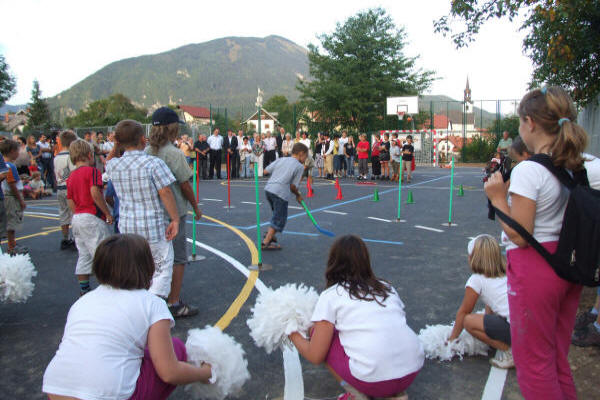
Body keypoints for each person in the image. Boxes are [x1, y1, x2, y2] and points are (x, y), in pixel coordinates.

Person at [484, 86, 600, 399]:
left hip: (536, 268)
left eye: (521, 122)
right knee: (556, 356)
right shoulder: (585, 164)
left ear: (531, 123)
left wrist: (497, 198)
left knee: (534, 363)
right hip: (568, 263)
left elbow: (520, 235)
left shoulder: (529, 170)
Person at [42, 234, 213, 400]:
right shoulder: (152, 304)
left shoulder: (82, 301)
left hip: (55, 388)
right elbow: (169, 373)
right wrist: (205, 373)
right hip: (107, 393)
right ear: (147, 267)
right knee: (176, 348)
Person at [289, 235, 423, 400]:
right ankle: (396, 394)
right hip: (411, 371)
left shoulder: (331, 295)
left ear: (333, 262)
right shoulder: (386, 287)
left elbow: (315, 355)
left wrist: (291, 331)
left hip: (375, 381)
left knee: (320, 334)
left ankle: (356, 395)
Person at [105, 119, 180, 300]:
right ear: (142, 139)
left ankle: (136, 302)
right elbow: (165, 191)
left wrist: (116, 145)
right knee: (161, 269)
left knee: (135, 268)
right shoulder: (153, 163)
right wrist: (175, 219)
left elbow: (109, 160)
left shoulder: (114, 165)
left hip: (128, 227)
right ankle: (155, 302)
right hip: (153, 226)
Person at [146, 107, 202, 318]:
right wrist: (195, 207)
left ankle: (153, 297)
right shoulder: (174, 153)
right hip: (174, 211)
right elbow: (185, 184)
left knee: (155, 256)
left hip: (153, 211)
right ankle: (174, 302)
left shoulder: (146, 152)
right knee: (178, 257)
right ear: (172, 128)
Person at [448, 235, 513, 368]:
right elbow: (491, 301)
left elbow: (464, 312)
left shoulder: (476, 280)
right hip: (528, 324)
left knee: (468, 321)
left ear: (473, 258)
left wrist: (451, 339)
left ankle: (511, 351)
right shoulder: (507, 271)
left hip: (515, 329)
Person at [66, 139, 113, 295]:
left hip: (78, 217)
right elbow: (95, 192)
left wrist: (77, 213)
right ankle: (108, 288)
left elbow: (70, 200)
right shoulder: (92, 172)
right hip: (92, 216)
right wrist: (107, 212)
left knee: (84, 255)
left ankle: (84, 290)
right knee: (102, 254)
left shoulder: (71, 176)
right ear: (89, 155)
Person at [261, 143, 308, 250]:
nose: (306, 159)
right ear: (301, 154)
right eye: (306, 156)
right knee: (280, 218)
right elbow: (293, 186)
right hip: (280, 193)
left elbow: (265, 171)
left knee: (277, 214)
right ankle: (266, 242)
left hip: (269, 190)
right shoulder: (299, 167)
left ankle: (270, 235)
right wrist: (298, 195)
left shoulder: (281, 159)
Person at [0, 139, 28, 255]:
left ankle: (12, 244)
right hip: (11, 197)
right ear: (12, 151)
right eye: (17, 151)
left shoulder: (4, 165)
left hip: (5, 195)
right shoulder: (10, 166)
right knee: (12, 222)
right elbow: (12, 184)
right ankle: (12, 246)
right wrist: (20, 200)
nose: (19, 153)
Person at [54, 130, 78, 250]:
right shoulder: (70, 157)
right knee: (74, 213)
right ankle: (75, 238)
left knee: (63, 212)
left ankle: (65, 238)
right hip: (69, 187)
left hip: (60, 187)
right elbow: (74, 172)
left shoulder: (56, 157)